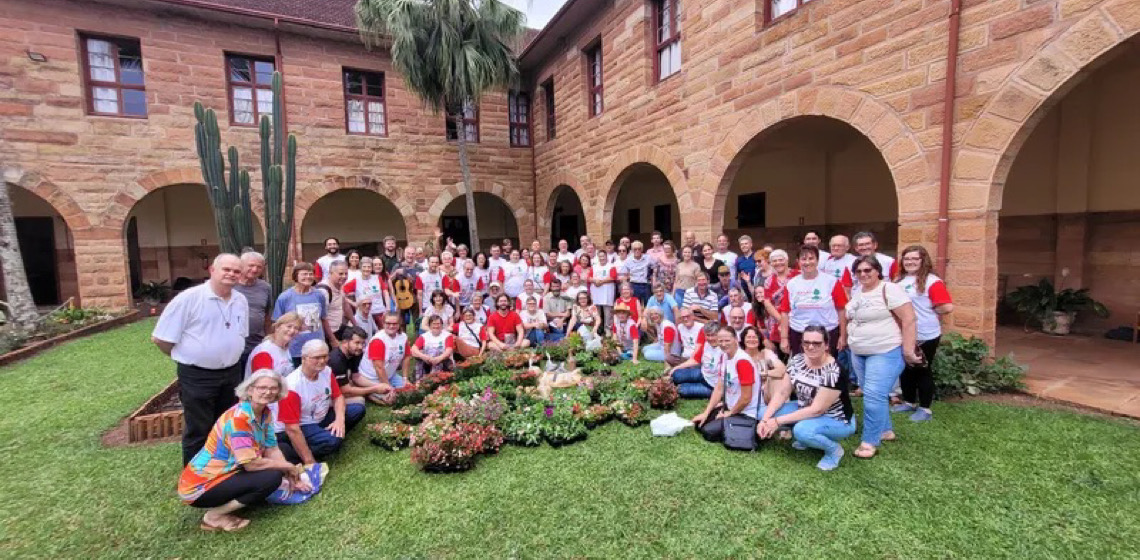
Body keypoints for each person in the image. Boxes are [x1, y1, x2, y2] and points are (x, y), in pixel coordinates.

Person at [178, 369, 310, 532]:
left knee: (284, 450)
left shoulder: (264, 413)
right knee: (271, 478)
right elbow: (251, 465)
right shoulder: (239, 420)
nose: (268, 392)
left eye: (273, 388)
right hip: (201, 486)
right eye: (262, 387)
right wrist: (288, 467)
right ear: (250, 390)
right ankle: (214, 516)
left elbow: (272, 447)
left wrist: (292, 476)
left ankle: (253, 492)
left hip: (232, 468)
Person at [153, 253, 250, 465]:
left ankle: (221, 469)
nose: (231, 274)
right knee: (199, 427)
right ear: (212, 270)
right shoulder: (189, 299)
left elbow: (240, 333)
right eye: (226, 269)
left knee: (225, 424)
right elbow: (160, 339)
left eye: (236, 271)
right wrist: (189, 357)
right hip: (197, 375)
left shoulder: (240, 300)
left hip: (232, 372)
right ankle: (195, 477)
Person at [845, 254, 920, 459]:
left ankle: (869, 441)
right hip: (859, 352)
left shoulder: (889, 289)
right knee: (875, 394)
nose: (863, 274)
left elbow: (909, 319)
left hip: (885, 350)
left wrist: (908, 350)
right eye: (859, 271)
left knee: (872, 395)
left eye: (868, 270)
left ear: (878, 270)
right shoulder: (858, 292)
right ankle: (886, 430)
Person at [757, 326, 855, 471]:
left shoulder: (834, 371)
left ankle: (834, 450)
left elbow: (817, 410)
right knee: (763, 413)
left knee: (802, 431)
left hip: (836, 418)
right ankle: (808, 438)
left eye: (817, 343)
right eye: (806, 342)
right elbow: (782, 393)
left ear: (826, 345)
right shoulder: (797, 360)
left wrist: (777, 422)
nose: (810, 347)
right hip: (804, 408)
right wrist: (765, 419)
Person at [275, 340, 365, 464]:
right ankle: (291, 452)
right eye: (317, 357)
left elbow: (338, 397)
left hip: (319, 416)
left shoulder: (326, 371)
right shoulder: (292, 387)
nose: (322, 361)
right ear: (304, 358)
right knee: (333, 441)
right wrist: (309, 460)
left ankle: (328, 433)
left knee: (358, 409)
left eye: (325, 356)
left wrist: (339, 420)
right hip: (302, 425)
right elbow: (292, 429)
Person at [892, 245, 954, 422]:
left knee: (922, 371)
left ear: (923, 260)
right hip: (903, 333)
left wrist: (929, 310)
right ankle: (909, 402)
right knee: (905, 370)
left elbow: (947, 306)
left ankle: (925, 409)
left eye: (914, 259)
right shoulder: (899, 281)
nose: (910, 262)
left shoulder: (932, 281)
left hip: (925, 334)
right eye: (907, 259)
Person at [691, 325, 761, 442]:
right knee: (699, 424)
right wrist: (706, 412)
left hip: (746, 411)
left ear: (736, 339)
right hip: (730, 405)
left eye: (727, 340)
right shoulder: (724, 356)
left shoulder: (742, 361)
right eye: (721, 341)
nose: (723, 344)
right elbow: (719, 388)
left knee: (708, 432)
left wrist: (729, 413)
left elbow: (746, 398)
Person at [776, 245, 848, 357]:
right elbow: (785, 312)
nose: (807, 262)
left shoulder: (832, 282)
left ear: (817, 260)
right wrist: (784, 338)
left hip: (827, 333)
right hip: (799, 334)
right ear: (798, 262)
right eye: (803, 259)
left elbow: (841, 309)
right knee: (801, 369)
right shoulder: (791, 284)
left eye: (811, 258)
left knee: (826, 368)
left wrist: (843, 336)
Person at [272, 262, 329, 366]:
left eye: (310, 274)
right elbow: (277, 323)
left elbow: (324, 319)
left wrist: (333, 340)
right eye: (304, 274)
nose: (308, 276)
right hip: (294, 348)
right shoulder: (285, 297)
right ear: (296, 276)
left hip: (316, 347)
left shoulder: (319, 295)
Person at [358, 312, 412, 404]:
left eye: (394, 324)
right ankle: (369, 392)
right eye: (388, 323)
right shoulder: (378, 340)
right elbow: (379, 368)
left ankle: (384, 389)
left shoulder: (403, 337)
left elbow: (407, 357)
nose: (391, 326)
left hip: (390, 375)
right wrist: (388, 388)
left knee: (410, 392)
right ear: (383, 324)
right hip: (372, 377)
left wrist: (405, 378)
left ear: (399, 324)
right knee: (391, 400)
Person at [234, 251, 273, 367]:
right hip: (234, 345)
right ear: (241, 265)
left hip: (256, 344)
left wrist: (268, 339)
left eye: (259, 267)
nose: (255, 270)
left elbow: (267, 315)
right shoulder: (230, 286)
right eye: (251, 265)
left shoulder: (265, 287)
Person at [666, 321, 722, 398]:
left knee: (681, 390)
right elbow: (695, 360)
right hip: (703, 374)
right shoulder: (706, 344)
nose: (710, 338)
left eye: (713, 335)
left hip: (712, 385)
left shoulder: (724, 351)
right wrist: (676, 367)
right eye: (708, 335)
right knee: (676, 375)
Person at [759, 249, 797, 358]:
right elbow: (767, 303)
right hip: (777, 321)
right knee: (782, 355)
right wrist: (782, 321)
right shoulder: (769, 281)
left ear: (787, 260)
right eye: (774, 261)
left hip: (796, 318)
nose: (778, 263)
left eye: (781, 260)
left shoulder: (797, 275)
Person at [740, 325, 786, 406]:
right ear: (743, 340)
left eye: (754, 337)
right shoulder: (740, 355)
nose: (752, 340)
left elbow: (782, 370)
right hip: (745, 390)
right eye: (748, 337)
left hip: (765, 391)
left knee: (780, 380)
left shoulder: (766, 353)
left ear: (759, 339)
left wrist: (763, 373)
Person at [245, 313, 302, 380]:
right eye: (289, 326)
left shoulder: (285, 348)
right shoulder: (264, 351)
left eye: (296, 328)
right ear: (277, 327)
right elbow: (264, 383)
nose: (292, 331)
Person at [328, 325, 373, 406]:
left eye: (363, 343)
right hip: (328, 394)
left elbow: (356, 377)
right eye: (357, 343)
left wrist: (378, 386)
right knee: (359, 402)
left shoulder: (355, 353)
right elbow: (345, 390)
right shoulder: (336, 360)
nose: (360, 347)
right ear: (345, 342)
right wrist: (374, 389)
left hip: (343, 386)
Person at [317, 260, 353, 335]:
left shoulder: (340, 285)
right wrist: (332, 340)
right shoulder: (323, 291)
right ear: (330, 273)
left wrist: (356, 325)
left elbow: (345, 306)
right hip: (327, 333)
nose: (344, 276)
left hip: (338, 328)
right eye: (340, 274)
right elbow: (322, 318)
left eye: (346, 274)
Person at [588, 247, 619, 332]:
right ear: (598, 257)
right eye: (600, 256)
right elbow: (589, 278)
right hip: (596, 292)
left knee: (608, 312)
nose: (602, 258)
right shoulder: (594, 267)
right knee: (597, 312)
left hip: (607, 292)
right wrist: (595, 280)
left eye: (603, 256)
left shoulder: (611, 266)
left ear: (606, 256)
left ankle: (608, 329)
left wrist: (601, 281)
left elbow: (613, 277)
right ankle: (598, 329)